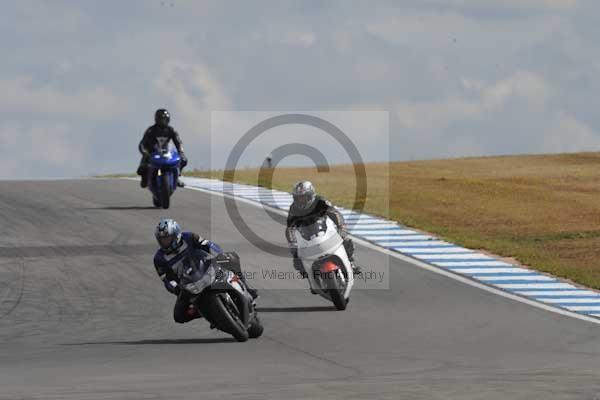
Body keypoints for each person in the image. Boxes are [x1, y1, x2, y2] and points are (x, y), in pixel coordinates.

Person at [153, 218, 258, 324]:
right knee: (179, 316)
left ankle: (248, 291)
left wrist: (218, 254)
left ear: (176, 235)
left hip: (209, 269)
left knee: (232, 258)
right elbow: (166, 279)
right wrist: (176, 288)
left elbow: (208, 245)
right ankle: (204, 312)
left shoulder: (189, 237)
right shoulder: (159, 258)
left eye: (167, 238)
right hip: (188, 286)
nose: (165, 242)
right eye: (162, 240)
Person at [285, 181, 361, 277]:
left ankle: (350, 263)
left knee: (347, 241)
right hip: (306, 235)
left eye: (304, 197)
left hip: (324, 230)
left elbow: (335, 213)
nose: (301, 201)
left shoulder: (320, 201)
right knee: (297, 259)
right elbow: (290, 228)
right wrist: (293, 246)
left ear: (310, 195)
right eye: (298, 198)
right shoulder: (293, 208)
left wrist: (341, 226)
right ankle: (309, 275)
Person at [137, 109, 188, 188]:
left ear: (168, 119)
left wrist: (181, 152)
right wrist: (145, 153)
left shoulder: (171, 130)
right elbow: (142, 144)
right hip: (152, 153)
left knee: (183, 160)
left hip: (166, 152)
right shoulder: (150, 130)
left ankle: (177, 177)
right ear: (156, 119)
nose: (163, 121)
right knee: (141, 169)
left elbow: (178, 142)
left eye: (165, 119)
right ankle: (145, 178)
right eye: (161, 119)